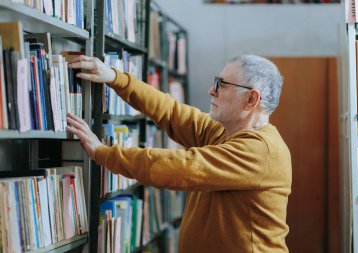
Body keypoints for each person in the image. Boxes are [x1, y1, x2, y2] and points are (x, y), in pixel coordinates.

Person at [66, 54, 292, 253]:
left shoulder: (262, 151)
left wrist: (103, 153)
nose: (211, 90)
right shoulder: (225, 132)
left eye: (221, 84)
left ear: (251, 99)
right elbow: (172, 112)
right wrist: (116, 78)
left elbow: (181, 167)